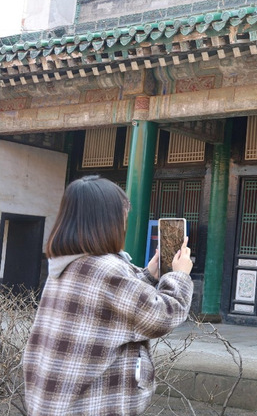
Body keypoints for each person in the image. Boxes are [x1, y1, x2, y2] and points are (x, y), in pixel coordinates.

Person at [23, 175, 194, 416]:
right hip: (90, 405)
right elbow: (162, 316)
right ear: (106, 220)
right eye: (122, 216)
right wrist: (180, 276)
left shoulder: (67, 262)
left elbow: (109, 304)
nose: (124, 223)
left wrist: (149, 275)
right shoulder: (105, 268)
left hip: (55, 401)